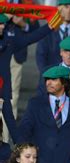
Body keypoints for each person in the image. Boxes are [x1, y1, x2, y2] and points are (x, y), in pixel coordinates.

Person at [0, 13, 53, 143]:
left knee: (9, 118)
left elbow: (30, 38)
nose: (2, 27)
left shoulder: (9, 40)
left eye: (3, 24)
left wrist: (50, 26)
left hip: (3, 87)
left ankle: (17, 145)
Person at [1, 0, 38, 119]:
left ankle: (6, 134)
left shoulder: (26, 2)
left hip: (16, 53)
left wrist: (24, 24)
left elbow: (35, 27)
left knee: (13, 93)